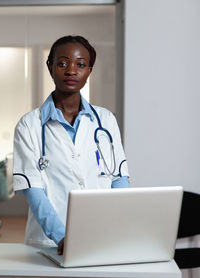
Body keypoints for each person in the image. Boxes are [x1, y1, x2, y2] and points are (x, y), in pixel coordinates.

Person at [12, 35, 130, 255]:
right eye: (63, 63)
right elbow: (32, 191)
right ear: (50, 67)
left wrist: (118, 226)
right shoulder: (29, 125)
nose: (71, 71)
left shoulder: (105, 120)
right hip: (50, 243)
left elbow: (119, 178)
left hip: (101, 236)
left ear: (89, 70)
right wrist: (62, 237)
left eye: (81, 64)